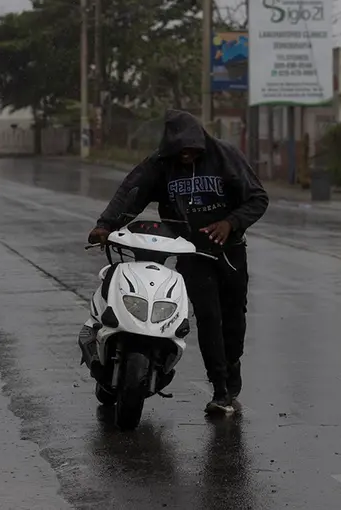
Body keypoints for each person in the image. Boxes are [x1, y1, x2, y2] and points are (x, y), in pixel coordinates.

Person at [87, 109, 269, 415]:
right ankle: (221, 390)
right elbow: (131, 193)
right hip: (192, 253)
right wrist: (106, 224)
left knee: (233, 318)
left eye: (192, 150)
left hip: (230, 252)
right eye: (180, 150)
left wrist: (231, 223)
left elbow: (258, 198)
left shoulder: (225, 156)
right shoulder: (161, 163)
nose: (186, 155)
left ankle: (232, 370)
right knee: (209, 318)